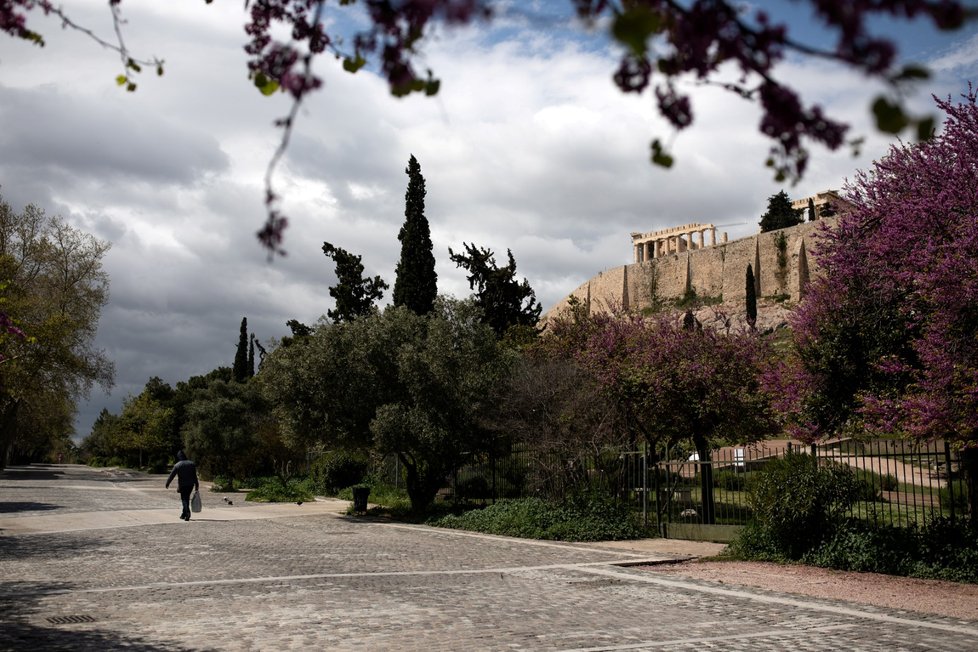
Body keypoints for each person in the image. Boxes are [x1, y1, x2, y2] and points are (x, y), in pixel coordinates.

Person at [165, 450, 200, 521]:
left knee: (184, 499)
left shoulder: (177, 465)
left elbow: (172, 475)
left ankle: (187, 512)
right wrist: (197, 484)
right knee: (186, 498)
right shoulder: (191, 464)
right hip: (190, 485)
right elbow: (194, 476)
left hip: (182, 485)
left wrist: (167, 483)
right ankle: (183, 514)